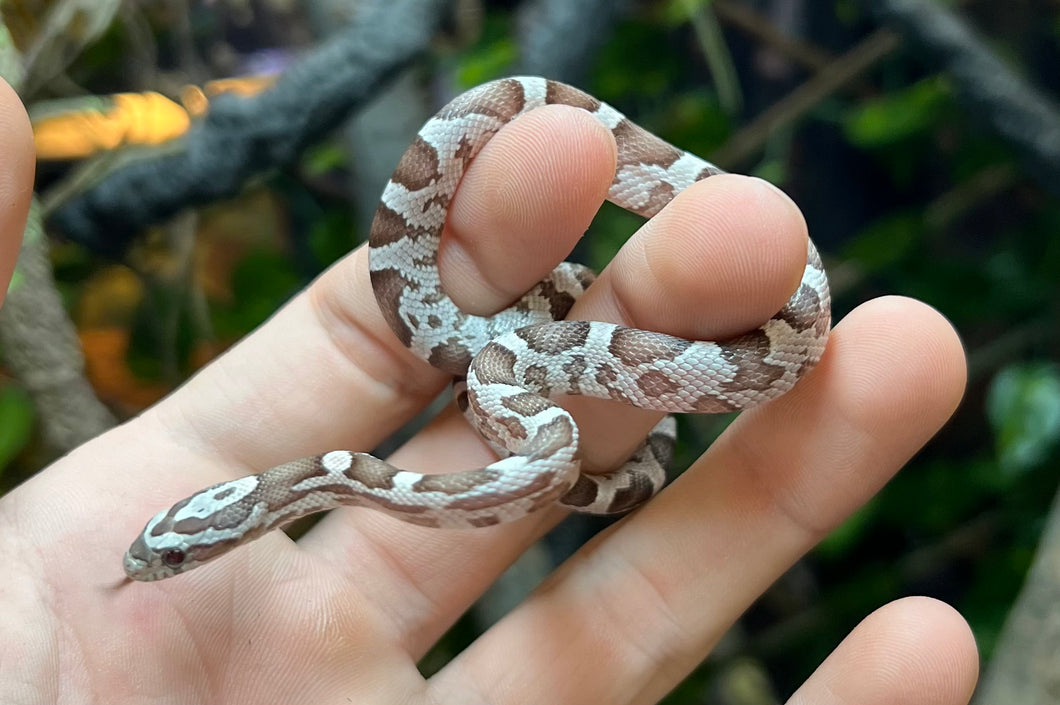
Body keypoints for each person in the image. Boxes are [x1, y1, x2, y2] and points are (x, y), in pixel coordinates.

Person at [0, 78, 976, 704]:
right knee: (543, 379)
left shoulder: (491, 398)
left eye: (174, 545)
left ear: (229, 524)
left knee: (742, 264)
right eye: (177, 551)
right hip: (515, 377)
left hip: (533, 359)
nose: (163, 553)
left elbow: (508, 389)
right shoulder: (478, 419)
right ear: (230, 522)